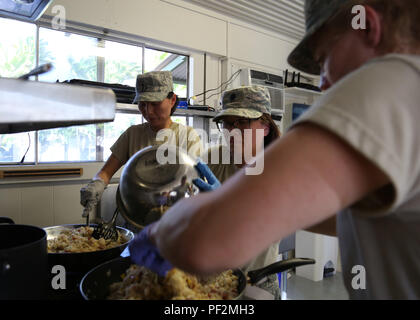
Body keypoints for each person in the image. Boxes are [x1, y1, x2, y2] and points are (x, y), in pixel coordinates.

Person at [129, 0, 420, 299]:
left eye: (324, 59)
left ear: (368, 26)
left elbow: (207, 243)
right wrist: (231, 203)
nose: (322, 84)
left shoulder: (391, 83)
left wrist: (156, 234)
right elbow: (352, 218)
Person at [80, 71, 202, 226]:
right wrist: (96, 184)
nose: (148, 111)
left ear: (172, 100)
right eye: (142, 104)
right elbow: (105, 173)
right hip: (136, 221)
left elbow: (193, 185)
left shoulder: (188, 136)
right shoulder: (133, 134)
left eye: (155, 103)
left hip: (175, 223)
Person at [196, 85, 282, 299]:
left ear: (265, 126)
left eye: (242, 122)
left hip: (258, 278)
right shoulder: (211, 160)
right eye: (226, 123)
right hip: (216, 277)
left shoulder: (279, 167)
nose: (232, 131)